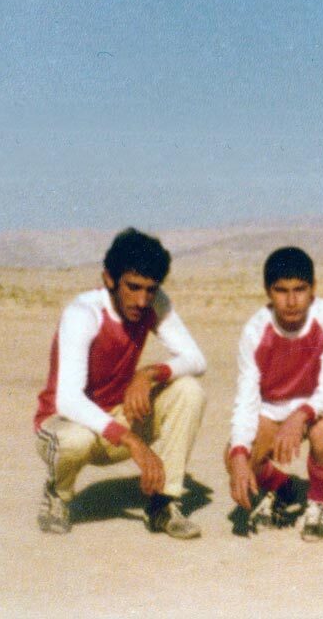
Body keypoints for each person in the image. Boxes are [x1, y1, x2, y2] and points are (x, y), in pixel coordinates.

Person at [33, 228, 207, 538]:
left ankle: (163, 504)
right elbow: (68, 400)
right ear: (109, 279)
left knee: (188, 390)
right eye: (133, 287)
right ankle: (57, 494)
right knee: (75, 440)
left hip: (117, 418)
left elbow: (196, 360)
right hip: (65, 425)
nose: (142, 300)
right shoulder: (84, 313)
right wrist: (132, 441)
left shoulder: (154, 304)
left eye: (151, 289)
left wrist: (149, 374)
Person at [226, 247, 323, 541]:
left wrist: (300, 417)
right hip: (274, 407)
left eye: (300, 290)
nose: (292, 301)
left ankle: (318, 503)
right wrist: (239, 453)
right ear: (267, 291)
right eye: (281, 291)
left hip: (322, 403)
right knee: (235, 456)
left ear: (313, 288)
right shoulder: (255, 331)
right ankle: (282, 488)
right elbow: (246, 400)